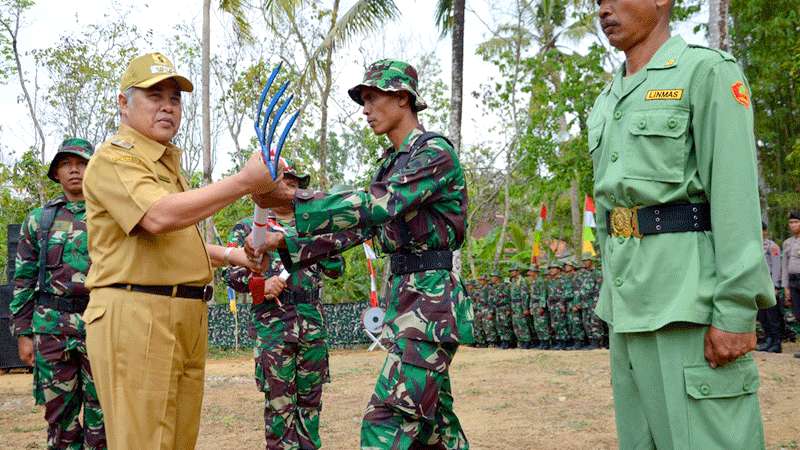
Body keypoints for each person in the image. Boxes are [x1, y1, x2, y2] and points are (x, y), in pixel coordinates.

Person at [247, 59, 472, 449]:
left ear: (402, 98)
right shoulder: (391, 163)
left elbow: (378, 205)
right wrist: (285, 241)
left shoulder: (432, 153)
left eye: (372, 98)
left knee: (385, 424)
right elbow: (362, 228)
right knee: (437, 431)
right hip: (409, 303)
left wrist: (294, 200)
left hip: (430, 307)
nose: (365, 110)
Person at [590, 1, 775, 447]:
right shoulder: (607, 99)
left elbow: (734, 195)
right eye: (597, 1)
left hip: (689, 303)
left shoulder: (705, 73)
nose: (604, 9)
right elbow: (610, 213)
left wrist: (735, 308)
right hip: (628, 309)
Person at [80, 52, 278, 449]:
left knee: (177, 442)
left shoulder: (164, 163)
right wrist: (243, 181)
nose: (168, 105)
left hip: (182, 313)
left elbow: (168, 240)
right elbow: (157, 217)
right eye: (154, 95)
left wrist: (230, 255)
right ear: (123, 102)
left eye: (175, 97)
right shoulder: (116, 158)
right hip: (139, 312)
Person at [225, 160, 342, 449]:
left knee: (310, 406)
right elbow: (232, 274)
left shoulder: (313, 226)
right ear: (269, 187)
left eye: (297, 183)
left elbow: (336, 267)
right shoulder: (250, 227)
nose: (293, 186)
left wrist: (308, 240)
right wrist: (261, 286)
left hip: (312, 326)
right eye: (286, 181)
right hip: (274, 328)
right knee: (279, 407)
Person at [10, 138, 106, 449]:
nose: (75, 169)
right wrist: (24, 333)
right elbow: (23, 280)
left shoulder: (110, 215)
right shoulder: (40, 220)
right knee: (59, 417)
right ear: (56, 173)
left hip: (100, 322)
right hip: (52, 329)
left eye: (82, 163)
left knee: (103, 413)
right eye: (67, 164)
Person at [758, 221, 783, 353]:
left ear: (765, 231)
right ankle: (768, 340)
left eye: (761, 230)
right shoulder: (755, 246)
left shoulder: (772, 247)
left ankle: (776, 342)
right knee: (763, 316)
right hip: (759, 285)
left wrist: (775, 286)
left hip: (770, 284)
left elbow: (777, 267)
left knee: (773, 316)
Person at [781, 212, 800, 358]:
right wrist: (786, 286)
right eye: (791, 222)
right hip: (793, 281)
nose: (793, 225)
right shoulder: (787, 243)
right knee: (798, 314)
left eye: (796, 222)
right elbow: (784, 265)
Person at [561, 259, 586, 350]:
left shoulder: (577, 276)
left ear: (572, 266)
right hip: (568, 303)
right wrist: (563, 304)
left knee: (576, 323)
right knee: (570, 323)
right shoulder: (567, 277)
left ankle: (579, 342)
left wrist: (576, 304)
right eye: (565, 265)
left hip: (574, 302)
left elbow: (578, 292)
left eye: (568, 265)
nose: (566, 267)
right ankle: (574, 341)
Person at [526, 266, 552, 349]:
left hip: (539, 305)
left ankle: (546, 342)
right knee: (537, 325)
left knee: (542, 324)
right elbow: (531, 296)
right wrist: (530, 307)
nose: (529, 273)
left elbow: (543, 294)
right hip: (534, 305)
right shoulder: (533, 281)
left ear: (535, 272)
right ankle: (542, 341)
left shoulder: (540, 281)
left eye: (531, 271)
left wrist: (542, 306)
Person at [508, 264, 534, 349]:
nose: (511, 273)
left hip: (520, 304)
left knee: (522, 323)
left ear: (517, 271)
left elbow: (525, 295)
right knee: (516, 324)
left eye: (513, 271)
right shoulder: (513, 281)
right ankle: (520, 341)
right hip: (514, 304)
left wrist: (525, 308)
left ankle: (526, 341)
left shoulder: (522, 281)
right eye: (511, 271)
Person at [545, 262, 569, 350]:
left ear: (559, 269)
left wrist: (562, 303)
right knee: (554, 324)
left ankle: (564, 342)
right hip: (552, 305)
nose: (551, 270)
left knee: (561, 323)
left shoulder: (563, 279)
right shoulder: (551, 281)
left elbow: (567, 292)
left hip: (560, 303)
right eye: (550, 268)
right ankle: (558, 341)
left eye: (553, 268)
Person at [491, 271, 514, 349]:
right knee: (499, 325)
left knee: (505, 325)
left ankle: (508, 342)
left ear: (497, 278)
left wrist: (508, 309)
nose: (492, 278)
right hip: (498, 308)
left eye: (493, 277)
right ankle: (503, 340)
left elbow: (508, 297)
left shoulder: (504, 286)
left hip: (504, 308)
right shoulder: (494, 287)